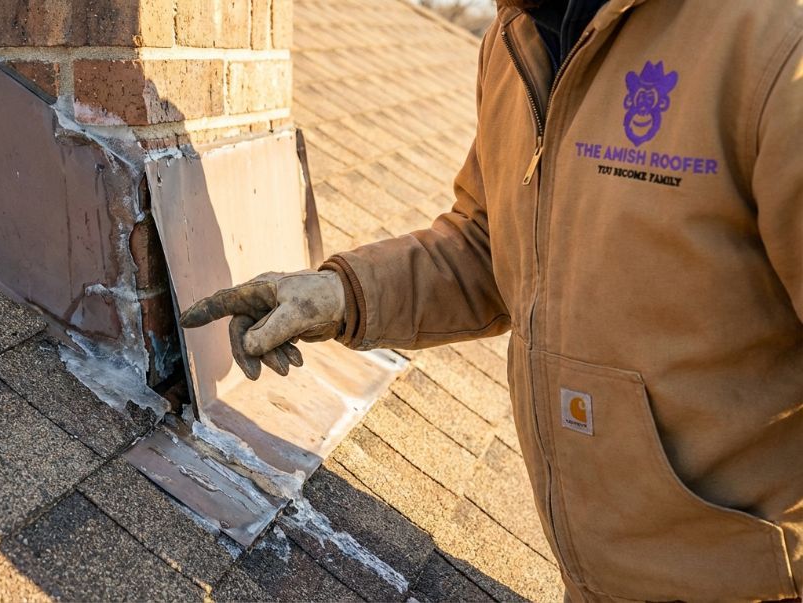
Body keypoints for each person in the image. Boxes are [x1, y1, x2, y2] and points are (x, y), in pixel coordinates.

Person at [180, 0, 803, 600]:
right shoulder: (514, 43)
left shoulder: (772, 45)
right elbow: (489, 244)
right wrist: (341, 293)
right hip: (594, 584)